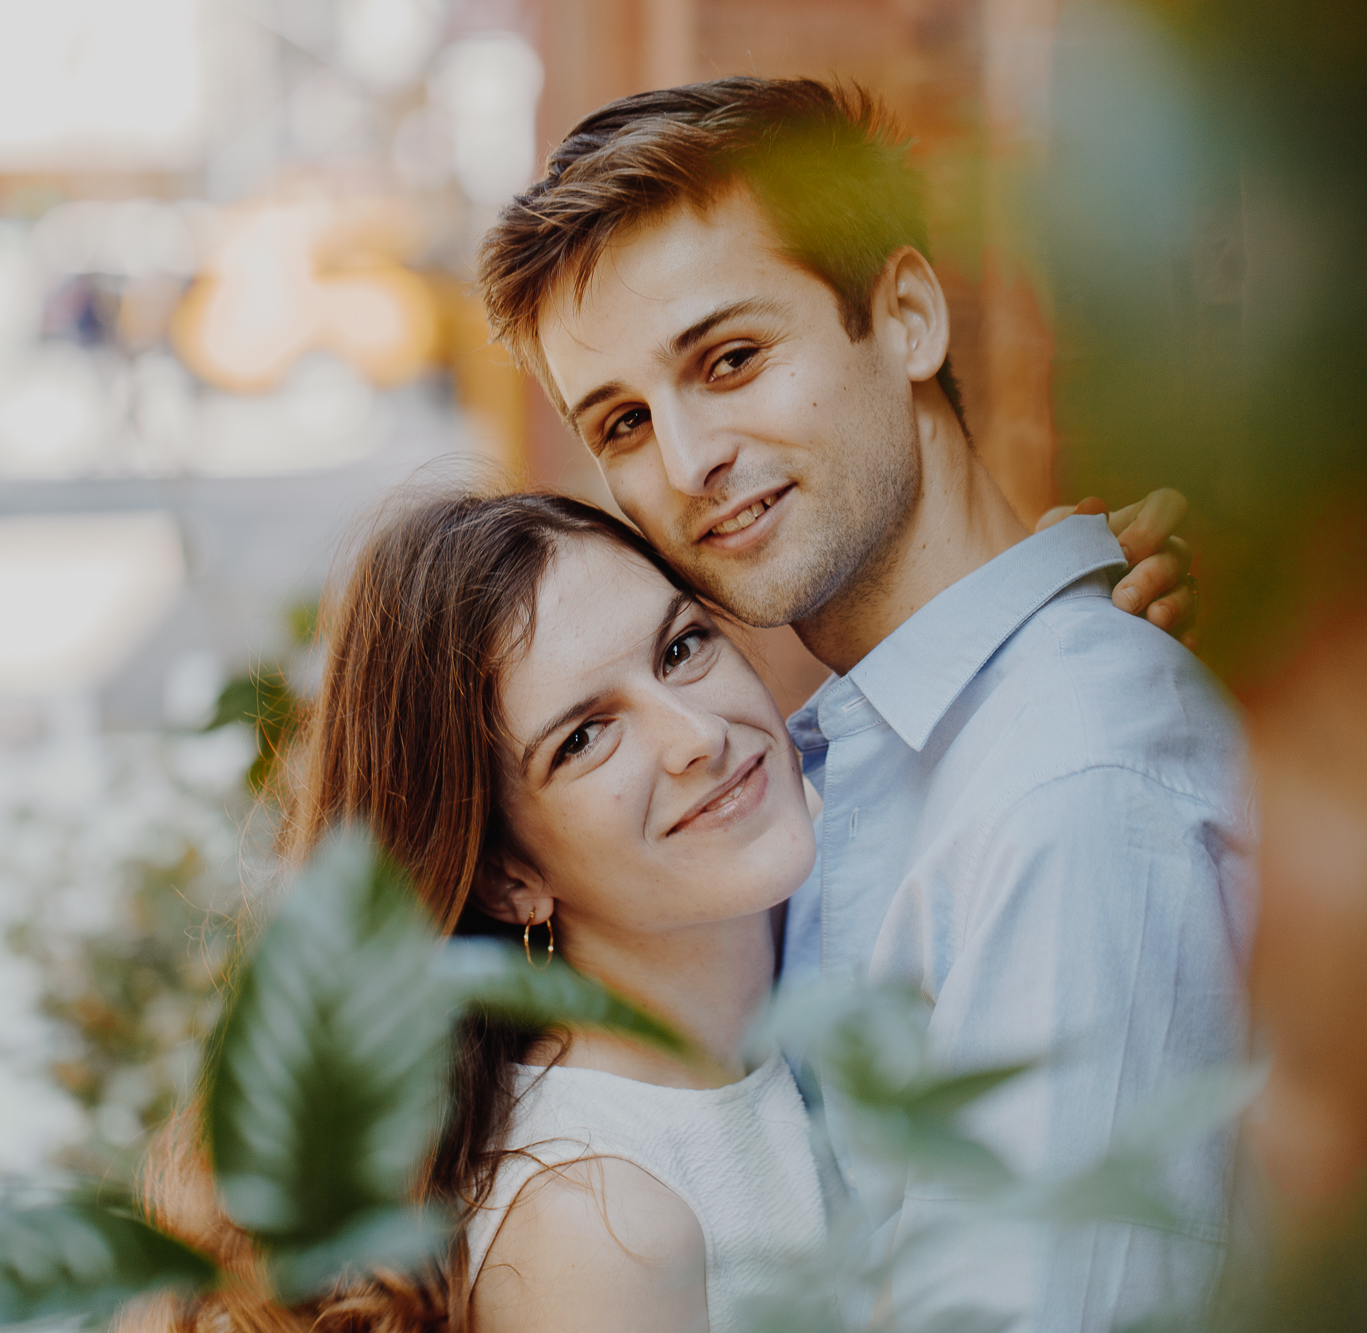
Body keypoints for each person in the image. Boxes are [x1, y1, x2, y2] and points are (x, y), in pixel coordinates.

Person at [475, 78, 1249, 1330]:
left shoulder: (1063, 794)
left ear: (902, 317)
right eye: (621, 421)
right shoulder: (832, 768)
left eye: (729, 358)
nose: (685, 463)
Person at [140, 485, 1194, 1333]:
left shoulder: (773, 947)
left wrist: (1043, 649)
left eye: (681, 645)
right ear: (509, 880)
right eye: (584, 736)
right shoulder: (603, 1229)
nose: (694, 733)